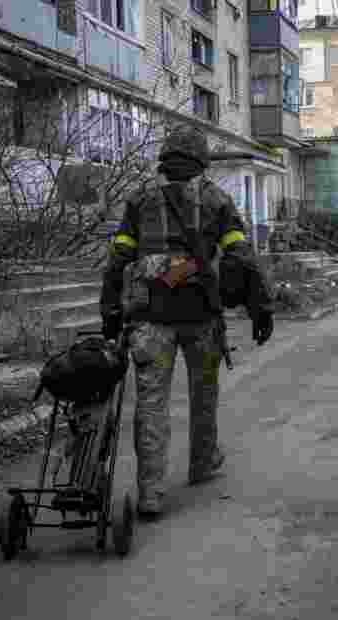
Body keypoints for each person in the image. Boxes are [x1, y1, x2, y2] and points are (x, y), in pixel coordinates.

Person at [100, 125, 275, 518]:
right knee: (204, 395)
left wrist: (110, 311)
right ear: (202, 161)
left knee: (151, 404)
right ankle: (201, 463)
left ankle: (150, 493)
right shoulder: (216, 200)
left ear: (165, 158)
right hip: (200, 317)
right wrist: (260, 308)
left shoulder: (138, 199)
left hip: (148, 319)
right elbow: (241, 259)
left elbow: (118, 260)